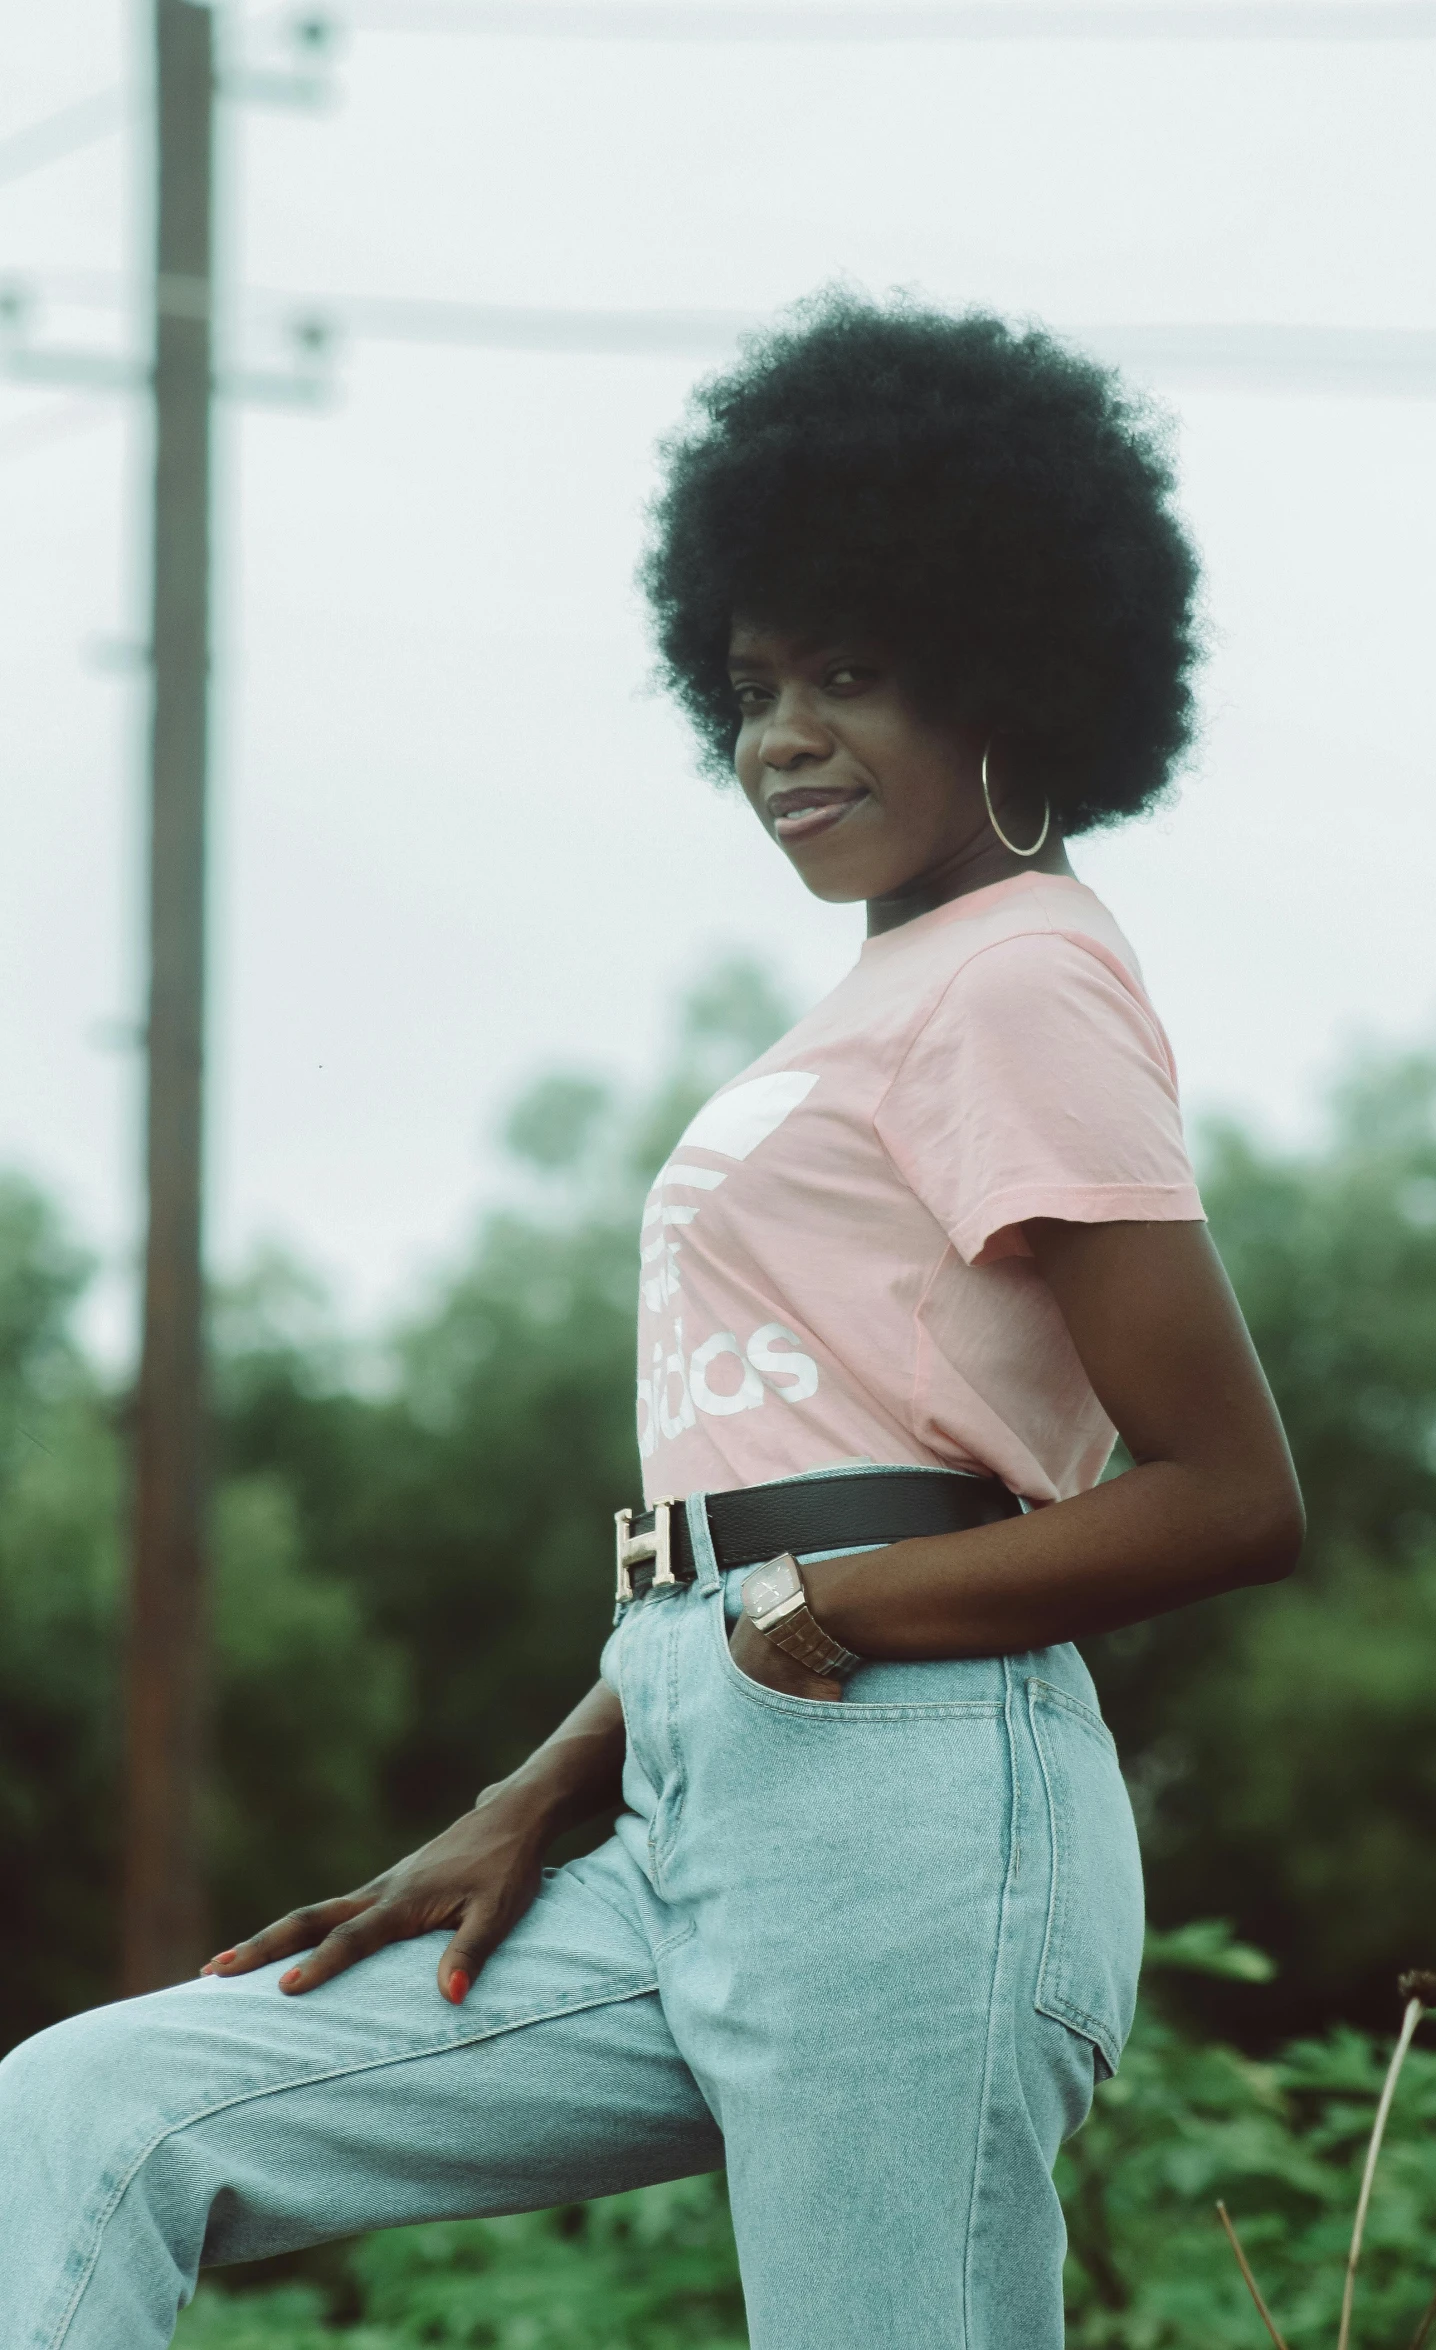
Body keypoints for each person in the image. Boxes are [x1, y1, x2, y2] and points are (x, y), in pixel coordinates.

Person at [0, 294, 1303, 2350]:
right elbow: (764, 1485)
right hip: (703, 1778)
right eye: (749, 685)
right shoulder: (880, 994)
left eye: (848, 675)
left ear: (1008, 669)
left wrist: (821, 1623)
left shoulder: (1025, 976)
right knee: (91, 2107)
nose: (778, 735)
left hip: (908, 1806)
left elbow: (1232, 1495)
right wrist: (555, 1773)